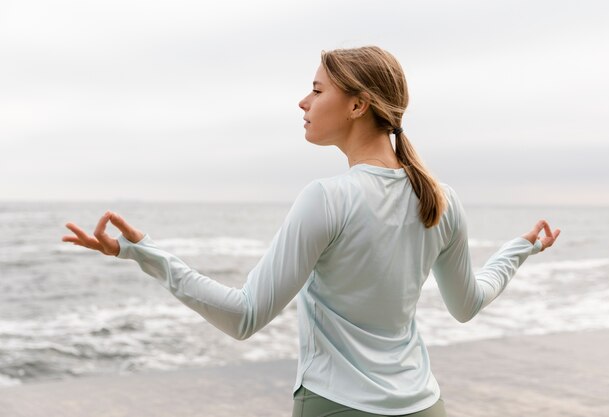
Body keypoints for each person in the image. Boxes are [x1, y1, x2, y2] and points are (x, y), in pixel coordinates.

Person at [62, 46, 560, 417]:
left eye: (318, 90)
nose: (303, 102)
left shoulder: (328, 197)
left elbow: (244, 316)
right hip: (425, 405)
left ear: (358, 104)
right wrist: (519, 249)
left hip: (337, 407)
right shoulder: (442, 198)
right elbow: (467, 304)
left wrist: (145, 255)